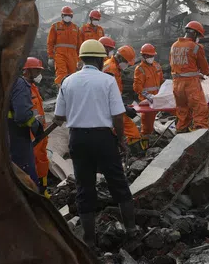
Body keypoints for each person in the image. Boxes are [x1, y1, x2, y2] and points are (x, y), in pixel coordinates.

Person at [53, 39, 137, 249]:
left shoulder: (68, 81)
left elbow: (58, 117)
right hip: (103, 138)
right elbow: (118, 116)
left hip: (78, 139)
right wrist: (121, 140)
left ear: (81, 59)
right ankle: (131, 232)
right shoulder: (107, 81)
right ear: (100, 60)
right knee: (118, 182)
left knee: (84, 187)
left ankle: (89, 241)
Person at [169, 21, 209, 132]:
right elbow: (205, 69)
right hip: (191, 85)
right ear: (195, 34)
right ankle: (200, 137)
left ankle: (181, 135)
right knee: (200, 111)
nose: (198, 39)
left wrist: (195, 74)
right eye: (199, 36)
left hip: (177, 85)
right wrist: (208, 72)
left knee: (182, 112)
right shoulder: (195, 47)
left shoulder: (174, 46)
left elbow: (177, 66)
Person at [103, 45, 144, 155]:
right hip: (108, 106)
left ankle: (115, 151)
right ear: (120, 58)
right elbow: (109, 94)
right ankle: (137, 155)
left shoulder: (112, 66)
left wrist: (123, 104)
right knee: (131, 130)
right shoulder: (111, 69)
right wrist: (124, 108)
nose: (127, 65)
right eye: (126, 62)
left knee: (115, 130)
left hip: (109, 104)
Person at [8, 64, 45, 186]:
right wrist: (36, 125)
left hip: (4, 133)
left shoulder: (3, 83)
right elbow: (23, 115)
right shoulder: (20, 84)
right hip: (19, 135)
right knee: (26, 175)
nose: (39, 73)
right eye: (36, 70)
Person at [22, 57, 51, 198]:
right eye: (37, 70)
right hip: (31, 134)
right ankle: (33, 191)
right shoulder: (22, 89)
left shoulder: (33, 87)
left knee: (42, 160)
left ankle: (43, 189)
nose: (39, 74)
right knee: (31, 163)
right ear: (27, 71)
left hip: (41, 133)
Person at [133, 43, 164, 149]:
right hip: (147, 101)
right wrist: (147, 96)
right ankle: (144, 146)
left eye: (152, 56)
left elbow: (161, 81)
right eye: (148, 56)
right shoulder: (140, 69)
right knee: (147, 125)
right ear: (144, 56)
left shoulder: (157, 66)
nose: (150, 58)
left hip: (158, 98)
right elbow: (137, 87)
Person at [46, 6, 80, 86]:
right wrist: (51, 56)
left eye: (69, 15)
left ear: (71, 16)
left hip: (73, 56)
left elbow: (79, 45)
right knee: (61, 74)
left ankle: (72, 94)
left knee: (73, 75)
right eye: (65, 15)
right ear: (62, 16)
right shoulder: (56, 26)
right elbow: (50, 43)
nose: (67, 17)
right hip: (60, 55)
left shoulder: (76, 28)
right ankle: (61, 93)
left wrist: (79, 59)